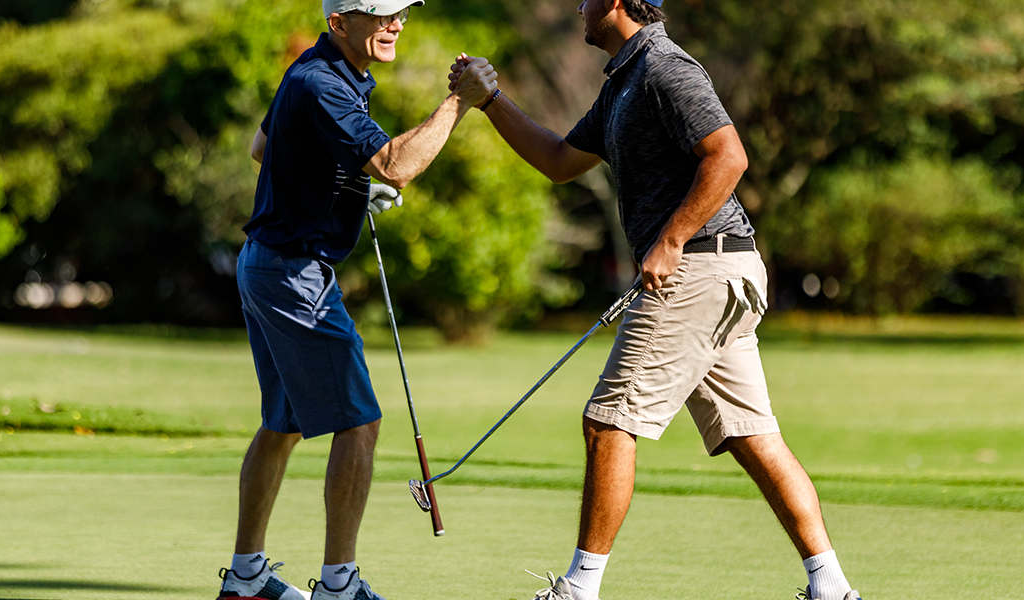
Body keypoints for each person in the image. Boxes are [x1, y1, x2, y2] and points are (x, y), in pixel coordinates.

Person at [449, 0, 862, 599]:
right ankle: (833, 587)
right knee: (752, 435)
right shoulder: (625, 77)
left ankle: (580, 589)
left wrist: (670, 239)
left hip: (698, 265)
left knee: (608, 422)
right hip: (723, 267)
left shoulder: (666, 67)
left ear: (617, 2)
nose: (579, 9)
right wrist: (491, 101)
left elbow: (729, 154)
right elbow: (560, 161)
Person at [216, 1, 498, 599]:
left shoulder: (322, 70)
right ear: (341, 21)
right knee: (360, 422)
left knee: (283, 423)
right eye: (382, 14)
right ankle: (338, 585)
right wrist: (460, 102)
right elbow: (398, 165)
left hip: (269, 264)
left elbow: (265, 149)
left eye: (401, 14)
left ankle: (245, 580)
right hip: (293, 273)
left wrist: (346, 186)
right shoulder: (322, 82)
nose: (396, 24)